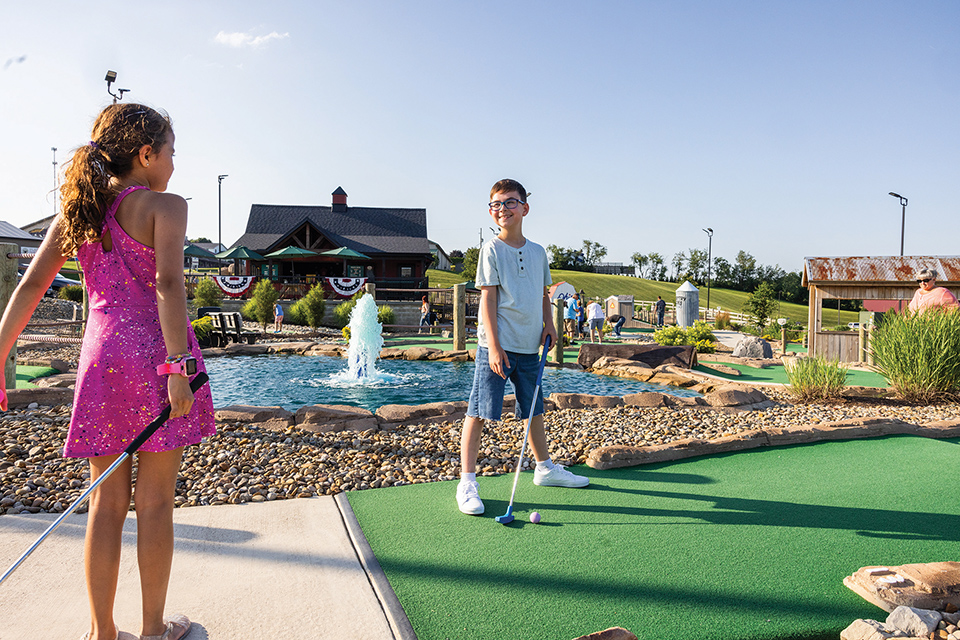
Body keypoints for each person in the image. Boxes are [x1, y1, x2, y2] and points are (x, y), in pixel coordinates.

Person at [0, 103, 215, 640]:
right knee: (156, 501)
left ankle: (101, 633)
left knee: (106, 500)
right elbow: (168, 285)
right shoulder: (166, 205)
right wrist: (176, 365)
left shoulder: (81, 211)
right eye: (170, 152)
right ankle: (151, 631)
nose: (173, 164)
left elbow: (30, 286)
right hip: (153, 357)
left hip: (101, 359)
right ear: (146, 154)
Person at [456, 179, 588, 516]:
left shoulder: (538, 251)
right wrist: (495, 347)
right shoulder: (491, 250)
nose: (503, 209)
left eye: (510, 202)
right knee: (479, 411)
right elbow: (488, 299)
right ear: (491, 211)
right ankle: (467, 481)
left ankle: (544, 468)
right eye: (496, 204)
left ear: (525, 208)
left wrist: (549, 324)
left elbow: (544, 294)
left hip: (531, 348)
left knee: (534, 408)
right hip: (496, 348)